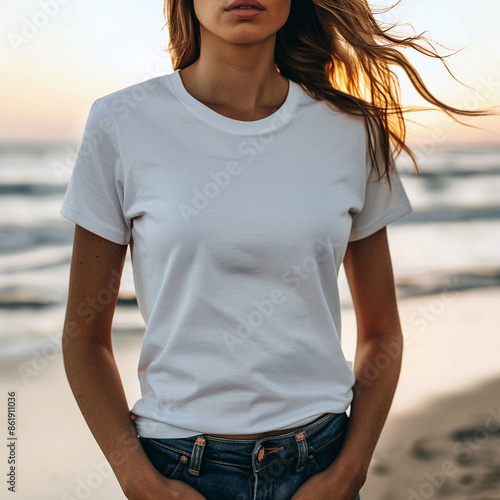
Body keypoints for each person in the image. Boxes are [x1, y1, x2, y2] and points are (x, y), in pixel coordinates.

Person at [59, 1, 489, 499]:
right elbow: (83, 336)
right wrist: (139, 482)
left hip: (319, 464)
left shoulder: (350, 129)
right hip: (179, 470)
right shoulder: (122, 122)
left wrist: (349, 473)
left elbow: (382, 332)